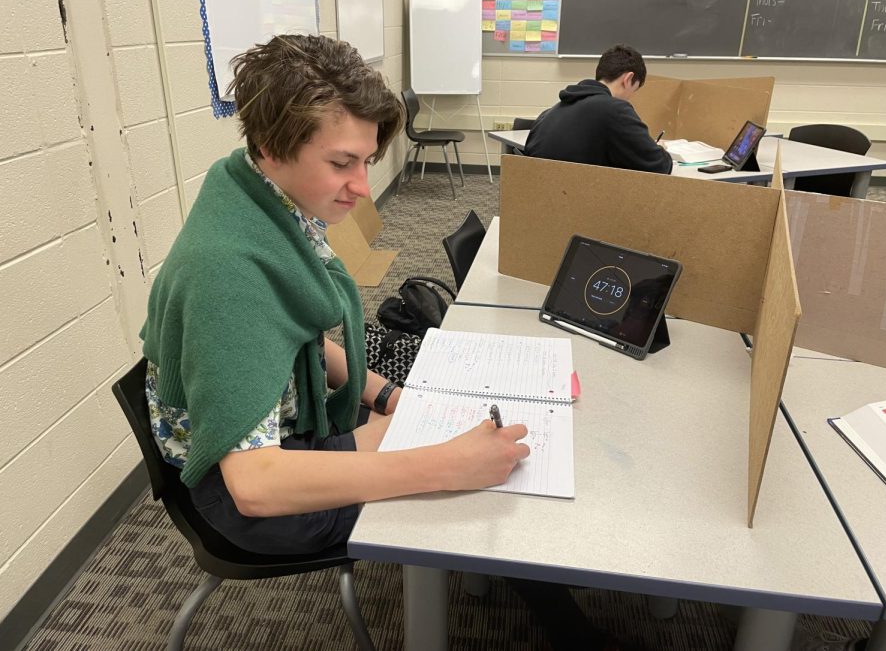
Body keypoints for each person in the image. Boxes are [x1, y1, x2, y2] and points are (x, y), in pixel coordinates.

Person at [140, 34, 530, 556]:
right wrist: (445, 467)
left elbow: (283, 332)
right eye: (342, 163)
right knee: (466, 496)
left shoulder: (256, 196)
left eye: (366, 161)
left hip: (294, 427)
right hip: (248, 488)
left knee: (457, 441)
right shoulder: (228, 273)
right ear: (275, 147)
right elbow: (254, 486)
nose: (363, 187)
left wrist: (388, 396)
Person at [523, 44, 672, 175]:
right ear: (628, 79)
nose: (631, 98)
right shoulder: (615, 110)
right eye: (634, 90)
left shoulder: (552, 111)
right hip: (580, 200)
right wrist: (658, 149)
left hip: (542, 199)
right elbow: (659, 165)